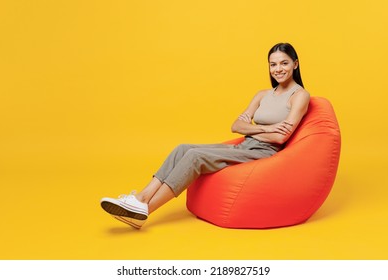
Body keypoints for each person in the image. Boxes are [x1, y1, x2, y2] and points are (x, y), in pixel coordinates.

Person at [100, 42, 310, 229]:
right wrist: (266, 128)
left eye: (284, 63)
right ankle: (140, 198)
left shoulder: (299, 96)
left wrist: (259, 129)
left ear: (295, 64)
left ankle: (145, 208)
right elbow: (236, 126)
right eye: (273, 65)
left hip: (264, 153)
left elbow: (281, 138)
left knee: (195, 156)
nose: (278, 69)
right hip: (245, 145)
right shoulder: (263, 95)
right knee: (183, 148)